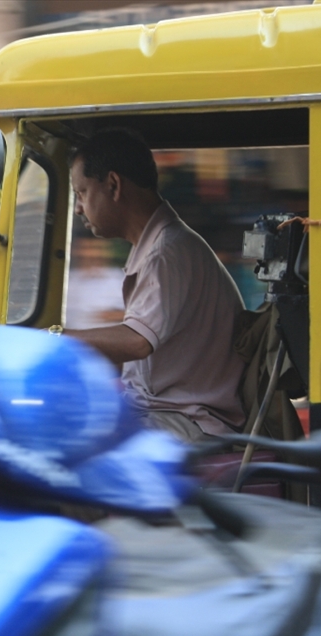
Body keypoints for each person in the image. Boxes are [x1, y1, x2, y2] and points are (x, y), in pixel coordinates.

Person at [61, 129, 246, 442]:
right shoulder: (155, 247)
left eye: (81, 193)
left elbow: (137, 342)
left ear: (113, 185)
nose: (78, 208)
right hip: (162, 409)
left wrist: (57, 337)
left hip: (190, 421)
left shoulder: (166, 252)